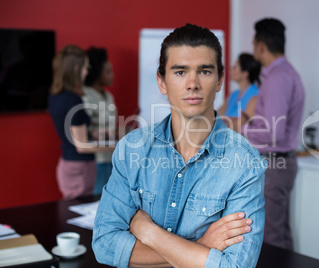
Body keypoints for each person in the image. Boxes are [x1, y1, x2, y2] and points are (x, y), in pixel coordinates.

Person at [92, 24, 267, 268]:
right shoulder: (131, 149)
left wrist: (149, 232)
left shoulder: (245, 163)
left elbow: (235, 266)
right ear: (162, 82)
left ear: (219, 80)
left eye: (204, 71)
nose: (192, 83)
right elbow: (104, 245)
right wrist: (202, 246)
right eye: (180, 72)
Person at [241, 18, 305, 250]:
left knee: (271, 238)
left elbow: (272, 131)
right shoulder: (285, 73)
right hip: (279, 163)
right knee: (280, 234)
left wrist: (242, 130)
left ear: (260, 45)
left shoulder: (277, 78)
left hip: (274, 165)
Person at [48, 45, 115, 200]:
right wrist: (117, 145)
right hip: (80, 169)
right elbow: (82, 146)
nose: (87, 71)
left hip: (68, 164)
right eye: (86, 67)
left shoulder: (55, 95)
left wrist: (95, 133)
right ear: (76, 69)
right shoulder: (73, 99)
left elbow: (69, 131)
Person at [82, 47, 117, 195]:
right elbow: (82, 131)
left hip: (111, 156)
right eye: (108, 71)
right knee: (96, 199)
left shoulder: (108, 95)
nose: (112, 75)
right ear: (96, 73)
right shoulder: (85, 96)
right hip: (96, 159)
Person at [218, 53, 261, 131]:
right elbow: (215, 116)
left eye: (235, 67)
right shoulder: (233, 95)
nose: (231, 68)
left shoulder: (256, 96)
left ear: (245, 74)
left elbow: (243, 128)